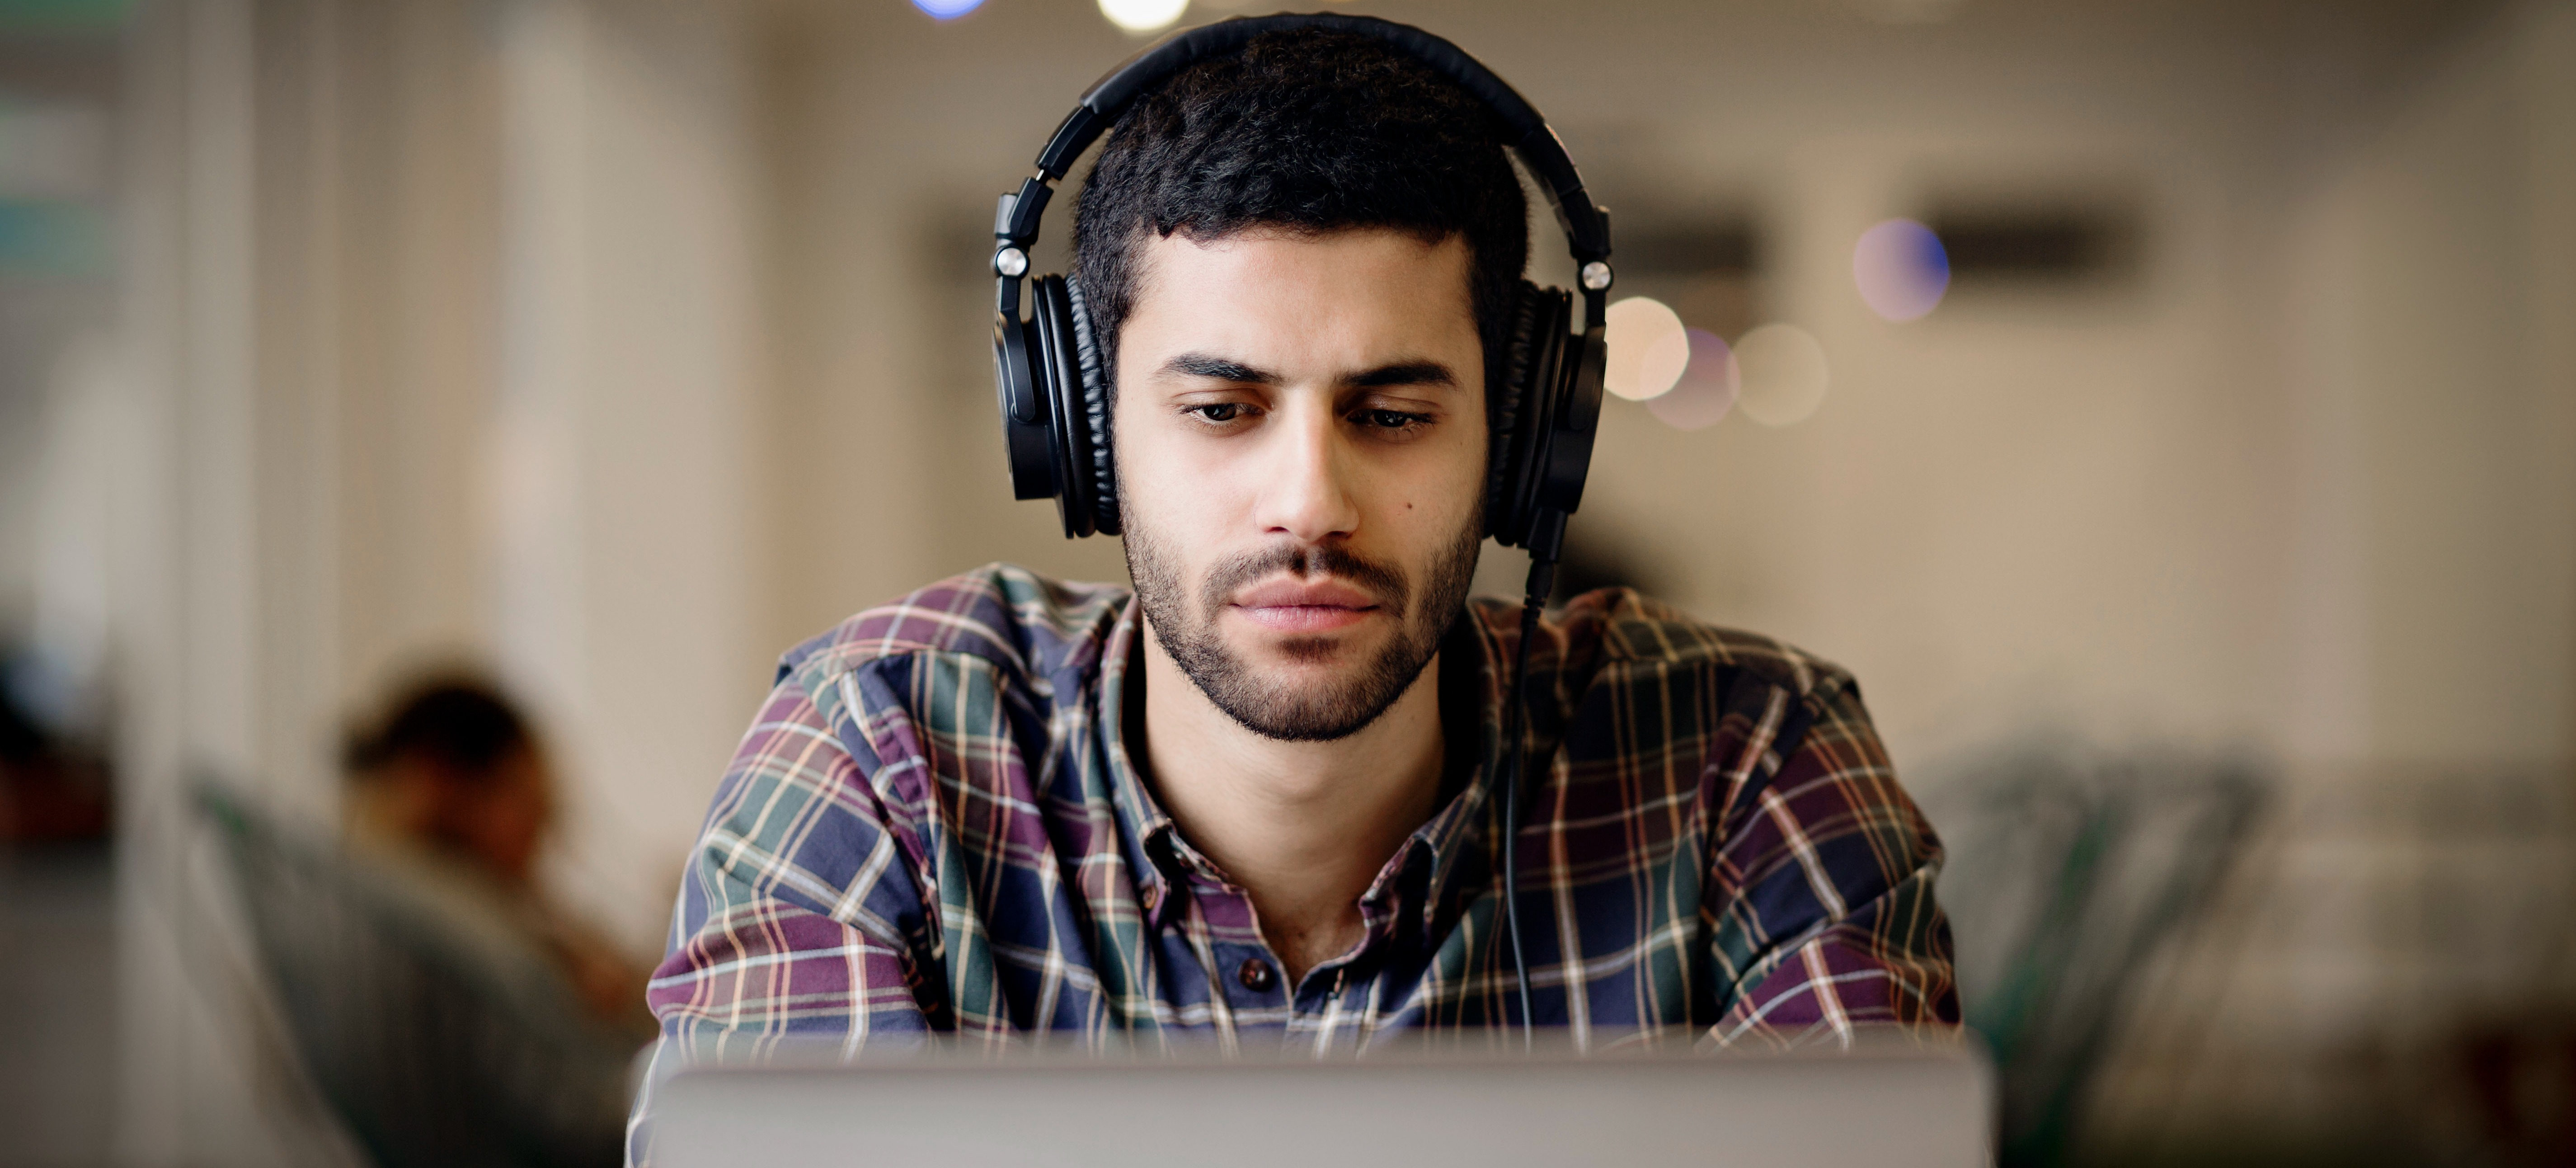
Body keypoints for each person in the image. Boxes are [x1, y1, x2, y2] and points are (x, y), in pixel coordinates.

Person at [635, 17, 1956, 1154]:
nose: (1310, 503)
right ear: (1088, 438)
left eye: (1391, 415)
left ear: (1521, 438)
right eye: (1220, 408)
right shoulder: (883, 757)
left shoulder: (1745, 767)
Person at [344, 676, 650, 1034]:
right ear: (441, 779)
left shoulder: (370, 880)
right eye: (535, 810)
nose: (542, 842)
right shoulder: (445, 913)